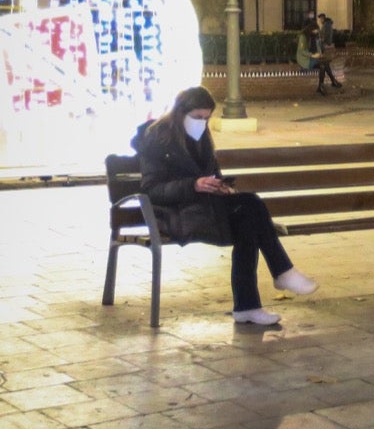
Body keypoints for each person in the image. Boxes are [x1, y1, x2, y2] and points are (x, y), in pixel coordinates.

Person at [136, 87, 318, 325]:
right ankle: (278, 276)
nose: (202, 123)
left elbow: (213, 173)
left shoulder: (201, 138)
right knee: (250, 211)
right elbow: (151, 190)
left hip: (206, 208)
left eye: (207, 118)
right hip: (177, 215)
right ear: (180, 113)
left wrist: (221, 187)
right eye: (197, 117)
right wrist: (193, 185)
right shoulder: (158, 138)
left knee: (249, 213)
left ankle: (249, 306)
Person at [301, 23, 341, 94]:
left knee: (325, 63)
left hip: (315, 59)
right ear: (312, 30)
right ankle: (328, 83)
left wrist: (320, 54)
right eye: (316, 29)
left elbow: (319, 50)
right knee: (323, 66)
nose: (318, 30)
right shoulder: (307, 39)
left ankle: (324, 85)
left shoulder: (316, 37)